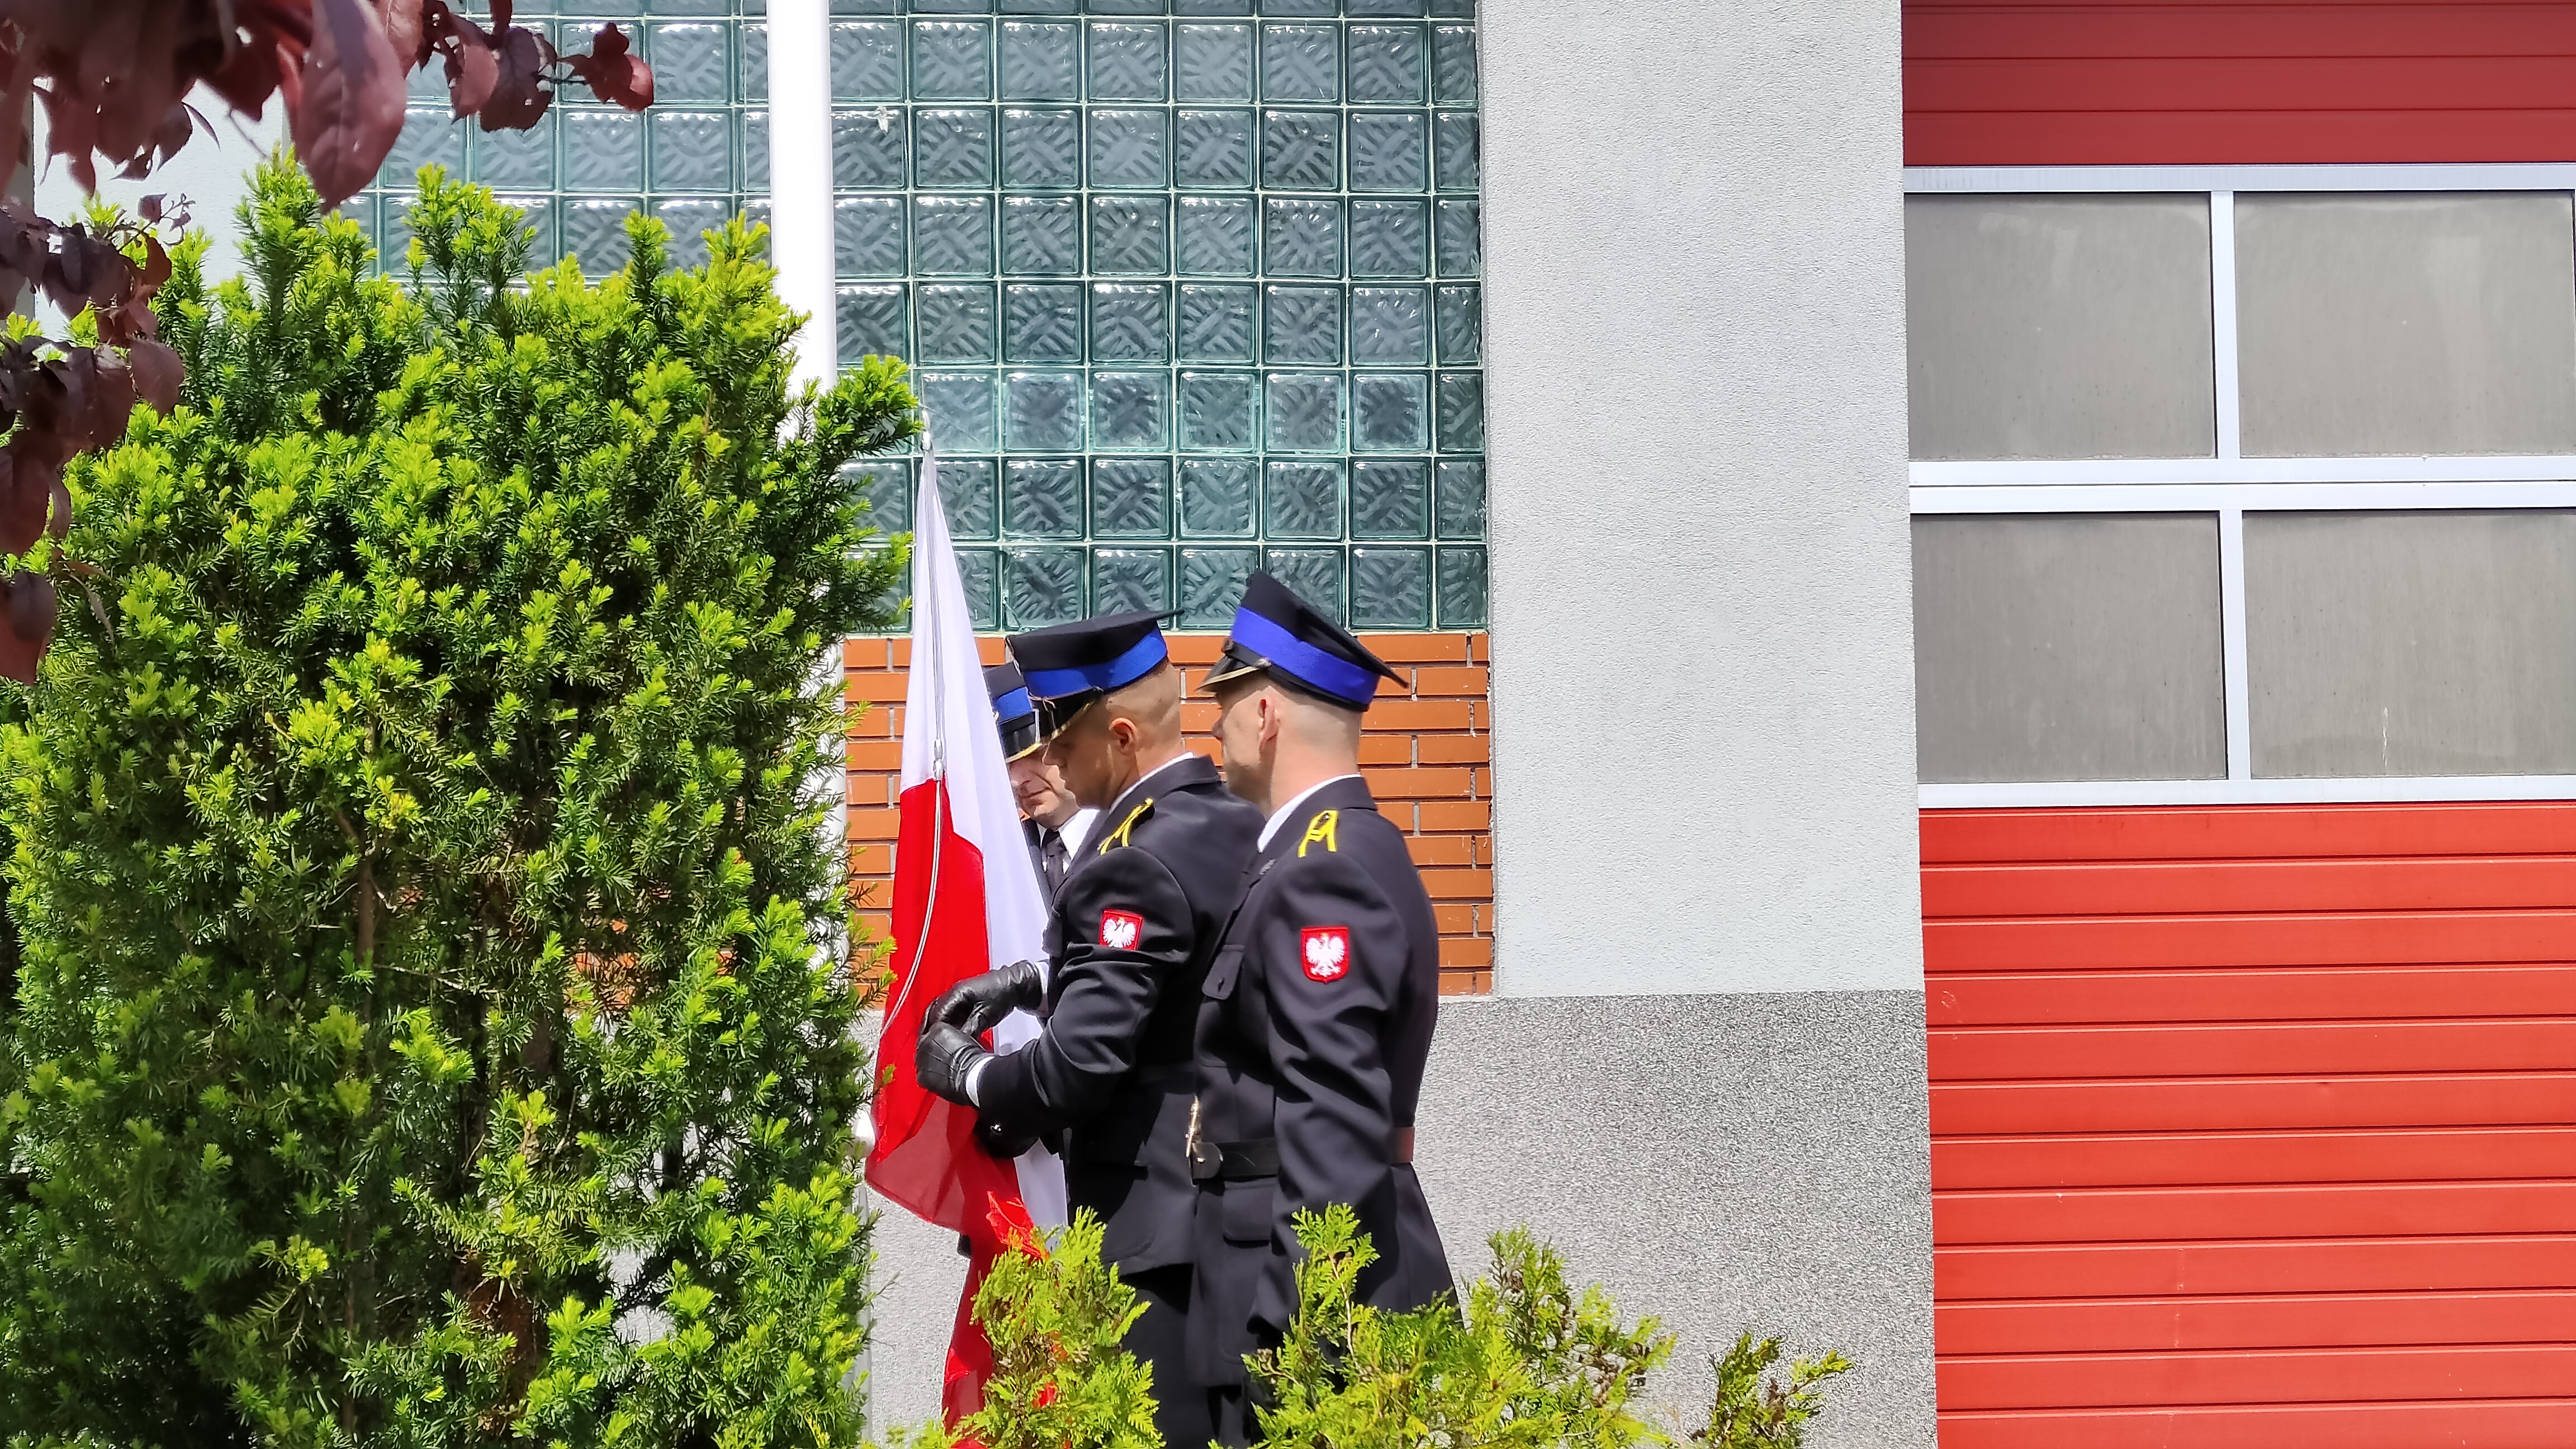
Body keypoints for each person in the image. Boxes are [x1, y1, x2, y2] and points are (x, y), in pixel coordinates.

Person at [917, 610, 1262, 1448]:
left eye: (1060, 743)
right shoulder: (1237, 823)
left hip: (1155, 1238)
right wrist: (1040, 983)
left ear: (1118, 737)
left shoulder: (1131, 859)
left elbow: (1081, 1067)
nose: (1049, 765)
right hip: (1233, 1224)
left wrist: (965, 1072)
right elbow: (1184, 985)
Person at [1185, 574, 1452, 1445]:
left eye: (1223, 706)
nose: (1213, 730)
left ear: (1265, 715)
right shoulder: (1313, 855)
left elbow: (1332, 1131)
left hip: (1300, 1308)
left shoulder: (1320, 870)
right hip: (1281, 1286)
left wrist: (1289, 1336)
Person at [989, 660, 1095, 893]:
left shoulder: (1133, 839)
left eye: (1037, 755)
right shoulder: (998, 856)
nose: (1016, 781)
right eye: (1006, 765)